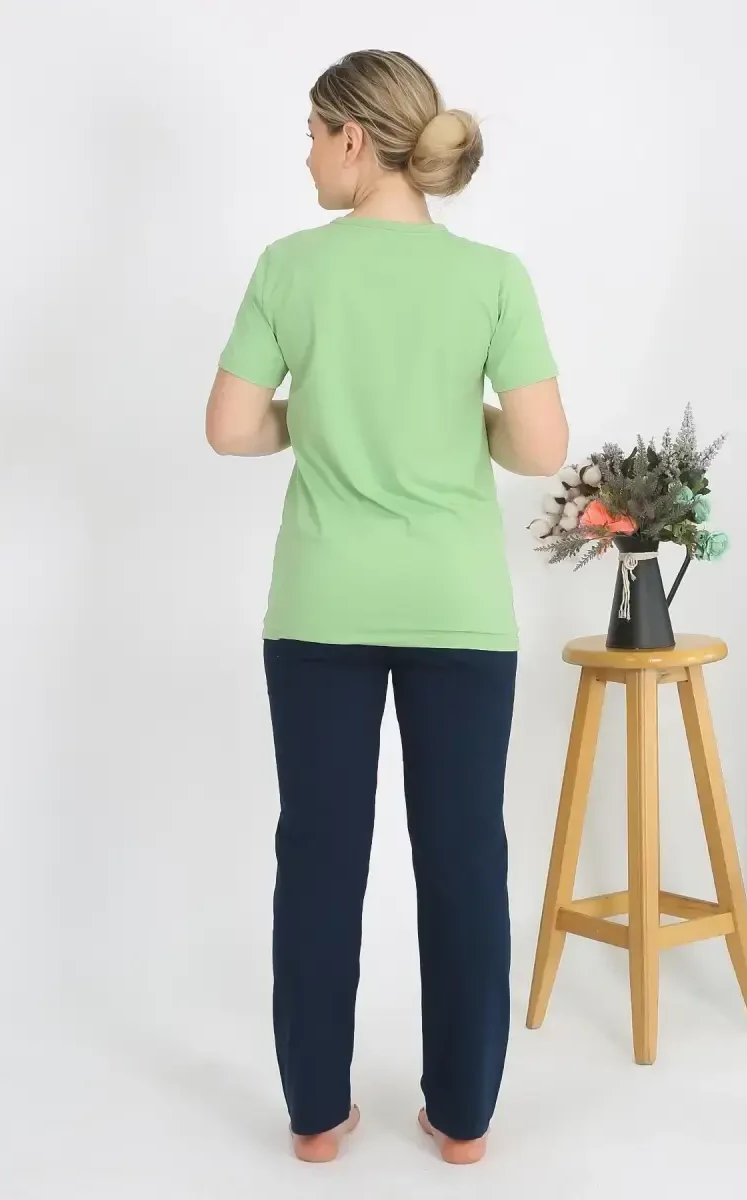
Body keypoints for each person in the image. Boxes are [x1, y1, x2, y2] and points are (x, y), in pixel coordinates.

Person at [206, 49, 568, 1166]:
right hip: (458, 612)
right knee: (463, 860)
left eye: (313, 133)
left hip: (320, 611)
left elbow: (230, 426)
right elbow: (541, 448)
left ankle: (317, 1119)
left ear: (354, 140)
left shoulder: (290, 267)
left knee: (320, 858)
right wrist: (465, 425)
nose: (307, 154)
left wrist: (311, 419)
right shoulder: (491, 276)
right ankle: (461, 1124)